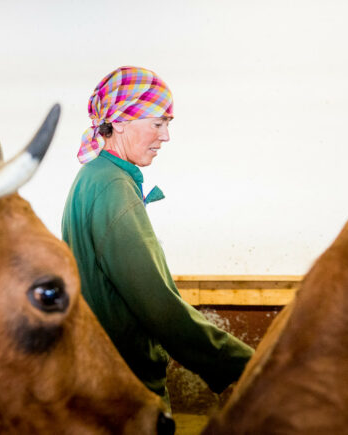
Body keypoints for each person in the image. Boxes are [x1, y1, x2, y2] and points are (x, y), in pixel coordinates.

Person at [61, 66, 254, 405]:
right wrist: (244, 364)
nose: (166, 137)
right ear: (119, 121)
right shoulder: (113, 187)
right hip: (125, 389)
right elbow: (158, 304)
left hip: (97, 376)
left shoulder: (94, 176)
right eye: (158, 123)